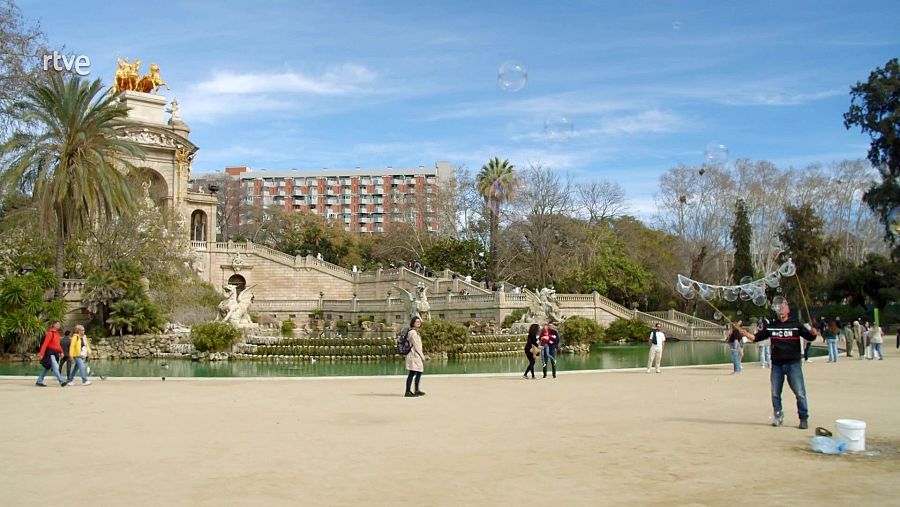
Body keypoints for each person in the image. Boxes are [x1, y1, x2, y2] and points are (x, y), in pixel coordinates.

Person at [740, 300, 818, 429]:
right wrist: (745, 333)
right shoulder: (772, 326)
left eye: (783, 307)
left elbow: (809, 337)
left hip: (793, 363)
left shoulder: (796, 324)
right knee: (775, 393)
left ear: (788, 310)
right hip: (777, 364)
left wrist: (813, 334)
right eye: (778, 307)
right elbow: (756, 338)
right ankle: (778, 416)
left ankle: (803, 418)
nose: (781, 309)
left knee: (799, 392)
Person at [36, 321, 67, 387]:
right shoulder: (50, 333)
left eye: (59, 324)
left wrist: (61, 352)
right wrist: (41, 354)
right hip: (50, 353)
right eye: (57, 324)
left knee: (47, 367)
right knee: (55, 366)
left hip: (55, 353)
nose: (59, 325)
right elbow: (45, 344)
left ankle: (39, 381)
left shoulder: (57, 334)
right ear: (53, 324)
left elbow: (58, 345)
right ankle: (61, 381)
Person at [404, 316, 426, 397]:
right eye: (417, 322)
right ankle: (408, 391)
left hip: (416, 355)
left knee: (419, 371)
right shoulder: (412, 332)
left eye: (419, 322)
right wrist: (422, 355)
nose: (418, 323)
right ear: (413, 323)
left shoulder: (415, 332)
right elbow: (416, 345)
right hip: (414, 355)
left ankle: (416, 390)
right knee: (412, 372)